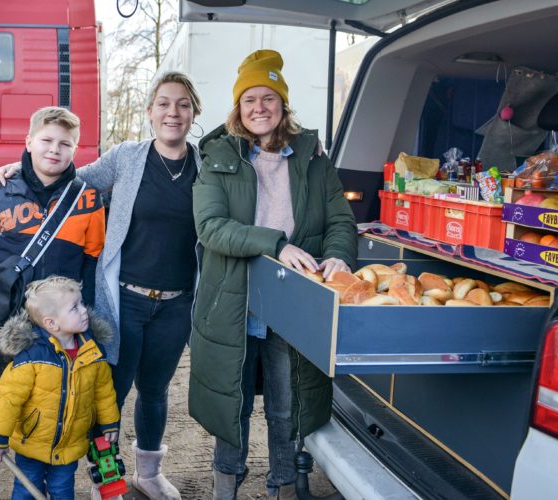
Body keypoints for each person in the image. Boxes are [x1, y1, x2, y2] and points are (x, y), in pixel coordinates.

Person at [0, 71, 203, 500]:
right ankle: (107, 481)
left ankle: (148, 473)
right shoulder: (127, 157)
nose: (172, 112)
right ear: (149, 112)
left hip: (178, 303)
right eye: (163, 103)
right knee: (109, 394)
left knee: (156, 393)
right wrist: (23, 166)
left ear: (194, 112)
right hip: (123, 301)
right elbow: (69, 178)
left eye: (182, 104)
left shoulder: (207, 166)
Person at [189, 49, 357, 500]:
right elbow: (211, 228)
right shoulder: (218, 157)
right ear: (238, 108)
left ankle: (284, 484)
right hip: (235, 298)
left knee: (288, 404)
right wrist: (277, 246)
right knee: (233, 402)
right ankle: (226, 483)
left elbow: (340, 219)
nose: (259, 107)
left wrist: (339, 255)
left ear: (283, 104)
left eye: (269, 97)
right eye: (250, 99)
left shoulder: (313, 158)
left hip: (295, 300)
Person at [0, 106, 106, 500]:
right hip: (1, 326)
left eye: (65, 143)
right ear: (29, 142)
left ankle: (50, 486)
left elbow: (92, 271)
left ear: (76, 149)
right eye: (46, 140)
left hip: (57, 330)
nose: (55, 150)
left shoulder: (88, 199)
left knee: (58, 408)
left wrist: (88, 327)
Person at [0, 276, 120, 500]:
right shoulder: (31, 359)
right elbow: (8, 400)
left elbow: (104, 393)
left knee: (62, 491)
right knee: (26, 490)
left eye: (82, 303)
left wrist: (109, 423)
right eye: (74, 308)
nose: (84, 310)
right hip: (32, 442)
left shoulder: (92, 353)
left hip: (70, 444)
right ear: (51, 323)